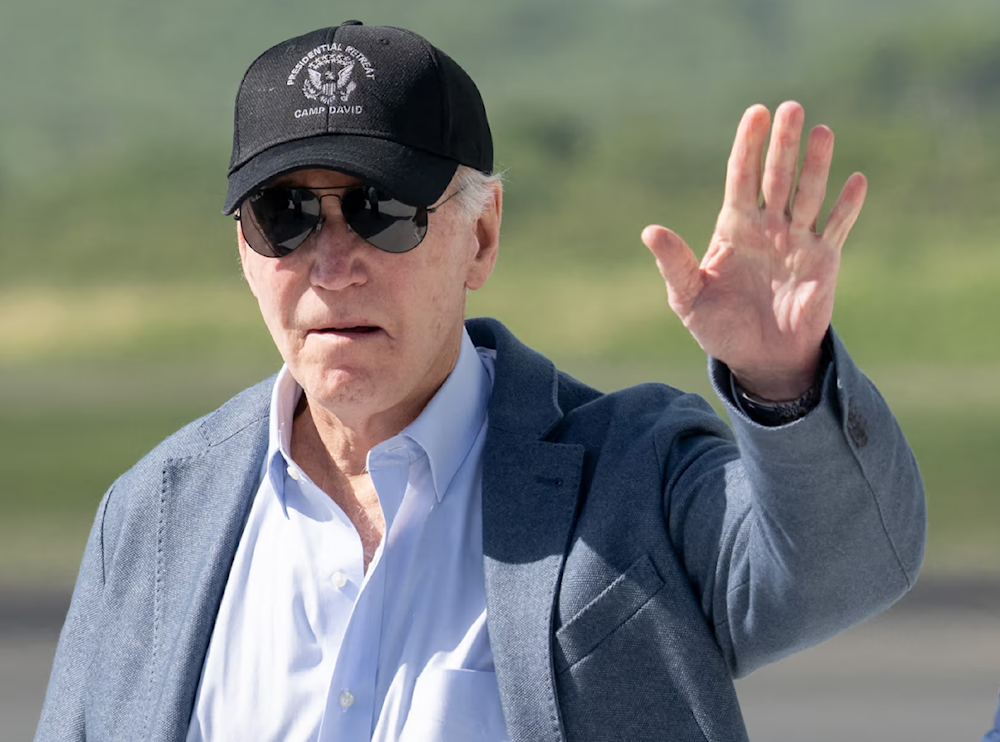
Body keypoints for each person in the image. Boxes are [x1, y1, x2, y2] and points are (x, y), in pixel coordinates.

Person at [35, 21, 925, 742]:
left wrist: (780, 377)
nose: (333, 264)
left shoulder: (630, 473)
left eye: (383, 212)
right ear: (243, 245)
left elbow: (838, 571)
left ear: (483, 235)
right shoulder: (153, 516)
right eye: (286, 214)